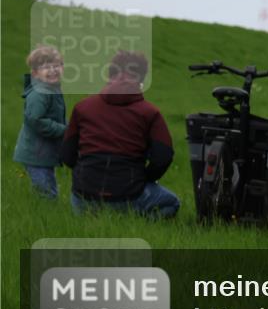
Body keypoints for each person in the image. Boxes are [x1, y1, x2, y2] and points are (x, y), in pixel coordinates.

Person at [61, 51, 180, 219]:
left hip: (83, 198)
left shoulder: (83, 107)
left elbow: (66, 155)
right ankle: (137, 224)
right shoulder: (150, 113)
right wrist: (145, 178)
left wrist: (87, 170)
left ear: (110, 75)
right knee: (172, 203)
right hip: (127, 196)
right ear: (140, 80)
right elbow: (163, 156)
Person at [13, 45, 67, 200]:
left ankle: (48, 209)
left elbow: (56, 116)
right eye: (46, 67)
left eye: (56, 66)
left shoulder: (53, 89)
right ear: (35, 73)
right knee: (46, 193)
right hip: (36, 153)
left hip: (44, 151)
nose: (53, 70)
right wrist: (64, 130)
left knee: (48, 186)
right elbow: (36, 120)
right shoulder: (39, 93)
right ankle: (46, 214)